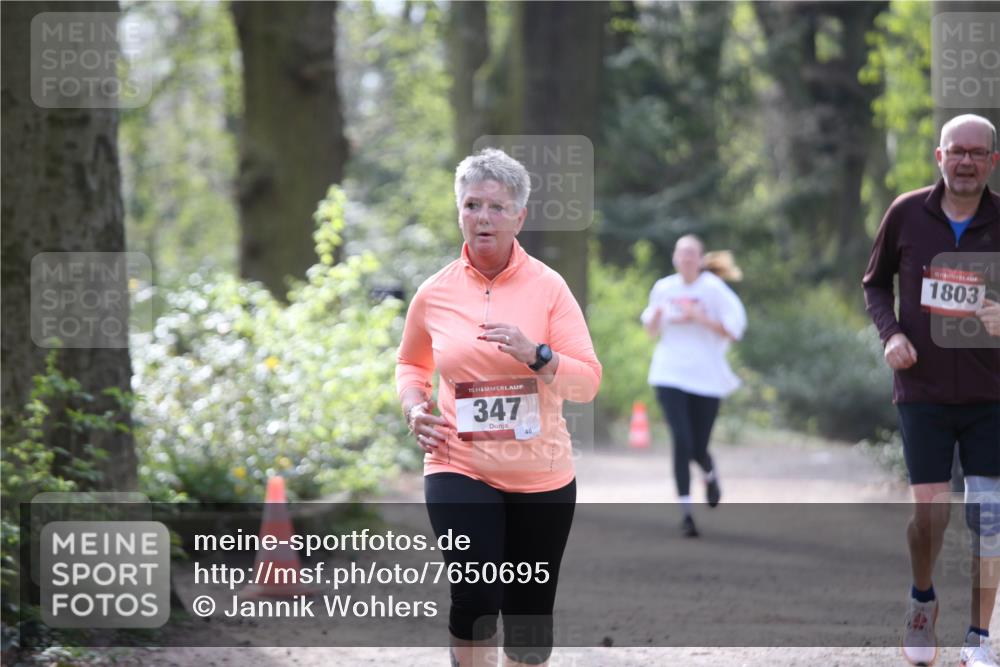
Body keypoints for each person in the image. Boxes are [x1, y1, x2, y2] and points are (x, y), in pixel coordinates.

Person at [396, 148, 602, 667]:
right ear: (458, 212)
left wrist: (538, 356)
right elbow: (410, 365)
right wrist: (414, 407)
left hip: (541, 476)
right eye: (471, 205)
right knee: (477, 597)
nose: (482, 218)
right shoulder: (434, 293)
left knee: (529, 625)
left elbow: (589, 383)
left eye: (495, 207)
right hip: (457, 464)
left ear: (519, 217)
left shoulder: (549, 288)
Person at [862, 113, 1000, 667]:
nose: (965, 161)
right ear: (938, 157)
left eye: (977, 152)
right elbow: (874, 284)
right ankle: (922, 600)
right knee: (931, 514)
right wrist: (890, 333)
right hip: (922, 389)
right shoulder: (905, 213)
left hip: (992, 395)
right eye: (956, 151)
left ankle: (979, 638)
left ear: (992, 162)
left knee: (988, 517)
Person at [640, 235, 747, 538]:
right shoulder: (664, 288)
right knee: (681, 440)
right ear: (674, 258)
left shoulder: (713, 290)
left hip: (706, 378)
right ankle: (686, 512)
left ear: (700, 259)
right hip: (669, 375)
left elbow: (735, 328)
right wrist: (657, 318)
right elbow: (649, 329)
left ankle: (709, 473)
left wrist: (702, 318)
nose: (686, 259)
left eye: (692, 254)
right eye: (681, 253)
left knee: (698, 446)